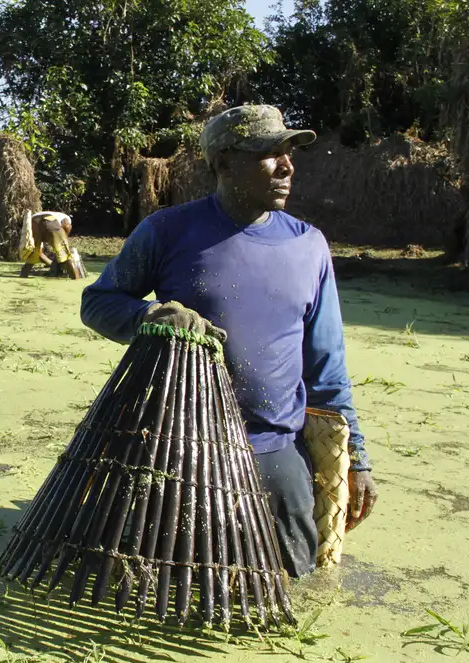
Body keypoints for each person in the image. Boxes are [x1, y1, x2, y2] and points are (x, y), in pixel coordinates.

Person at [80, 104, 377, 578]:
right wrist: (149, 316)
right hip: (178, 448)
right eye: (268, 154)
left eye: (288, 153)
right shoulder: (167, 231)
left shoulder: (308, 246)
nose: (286, 166)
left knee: (293, 578)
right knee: (155, 576)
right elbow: (98, 301)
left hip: (272, 448)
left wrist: (356, 458)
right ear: (223, 162)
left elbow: (326, 367)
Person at [21, 211, 82, 280]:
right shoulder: (66, 218)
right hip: (49, 220)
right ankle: (76, 279)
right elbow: (67, 226)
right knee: (66, 256)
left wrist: (51, 264)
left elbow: (40, 254)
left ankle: (23, 276)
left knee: (32, 255)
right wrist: (63, 246)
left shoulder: (54, 215)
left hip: (33, 222)